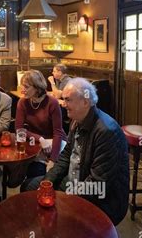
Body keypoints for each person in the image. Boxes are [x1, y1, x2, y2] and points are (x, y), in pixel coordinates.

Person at [23, 78, 129, 225]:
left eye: (68, 100)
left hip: (103, 199)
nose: (63, 104)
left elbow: (97, 184)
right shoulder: (77, 120)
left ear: (85, 102)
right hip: (75, 182)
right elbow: (65, 157)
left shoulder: (106, 131)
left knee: (52, 210)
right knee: (29, 188)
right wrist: (47, 182)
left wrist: (64, 198)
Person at [16, 70, 67, 187]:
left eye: (26, 86)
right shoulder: (22, 102)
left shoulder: (52, 102)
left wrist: (52, 161)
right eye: (22, 85)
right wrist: (41, 139)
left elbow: (58, 132)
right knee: (34, 175)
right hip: (38, 144)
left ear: (37, 88)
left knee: (51, 174)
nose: (22, 89)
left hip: (57, 142)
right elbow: (19, 129)